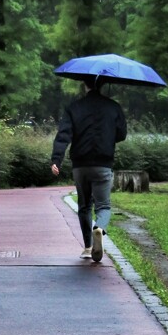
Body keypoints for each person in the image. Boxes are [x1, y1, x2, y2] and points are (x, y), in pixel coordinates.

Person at [51, 76, 127, 263]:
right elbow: (122, 134)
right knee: (104, 206)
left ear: (85, 85)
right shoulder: (113, 106)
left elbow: (64, 135)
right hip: (103, 163)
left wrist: (56, 160)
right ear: (102, 86)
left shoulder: (74, 108)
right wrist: (107, 137)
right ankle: (99, 228)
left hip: (80, 165)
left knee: (84, 206)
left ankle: (87, 247)